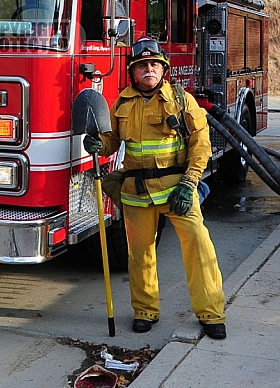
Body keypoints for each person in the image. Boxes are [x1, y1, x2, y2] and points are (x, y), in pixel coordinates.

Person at [83, 37, 227, 339]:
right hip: (136, 191)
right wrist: (98, 143)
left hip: (178, 191)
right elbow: (111, 143)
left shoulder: (181, 99)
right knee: (140, 254)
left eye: (154, 64)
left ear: (164, 69)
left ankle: (211, 314)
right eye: (141, 66)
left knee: (200, 247)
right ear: (132, 72)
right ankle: (145, 311)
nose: (148, 69)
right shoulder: (121, 103)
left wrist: (189, 185)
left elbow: (201, 147)